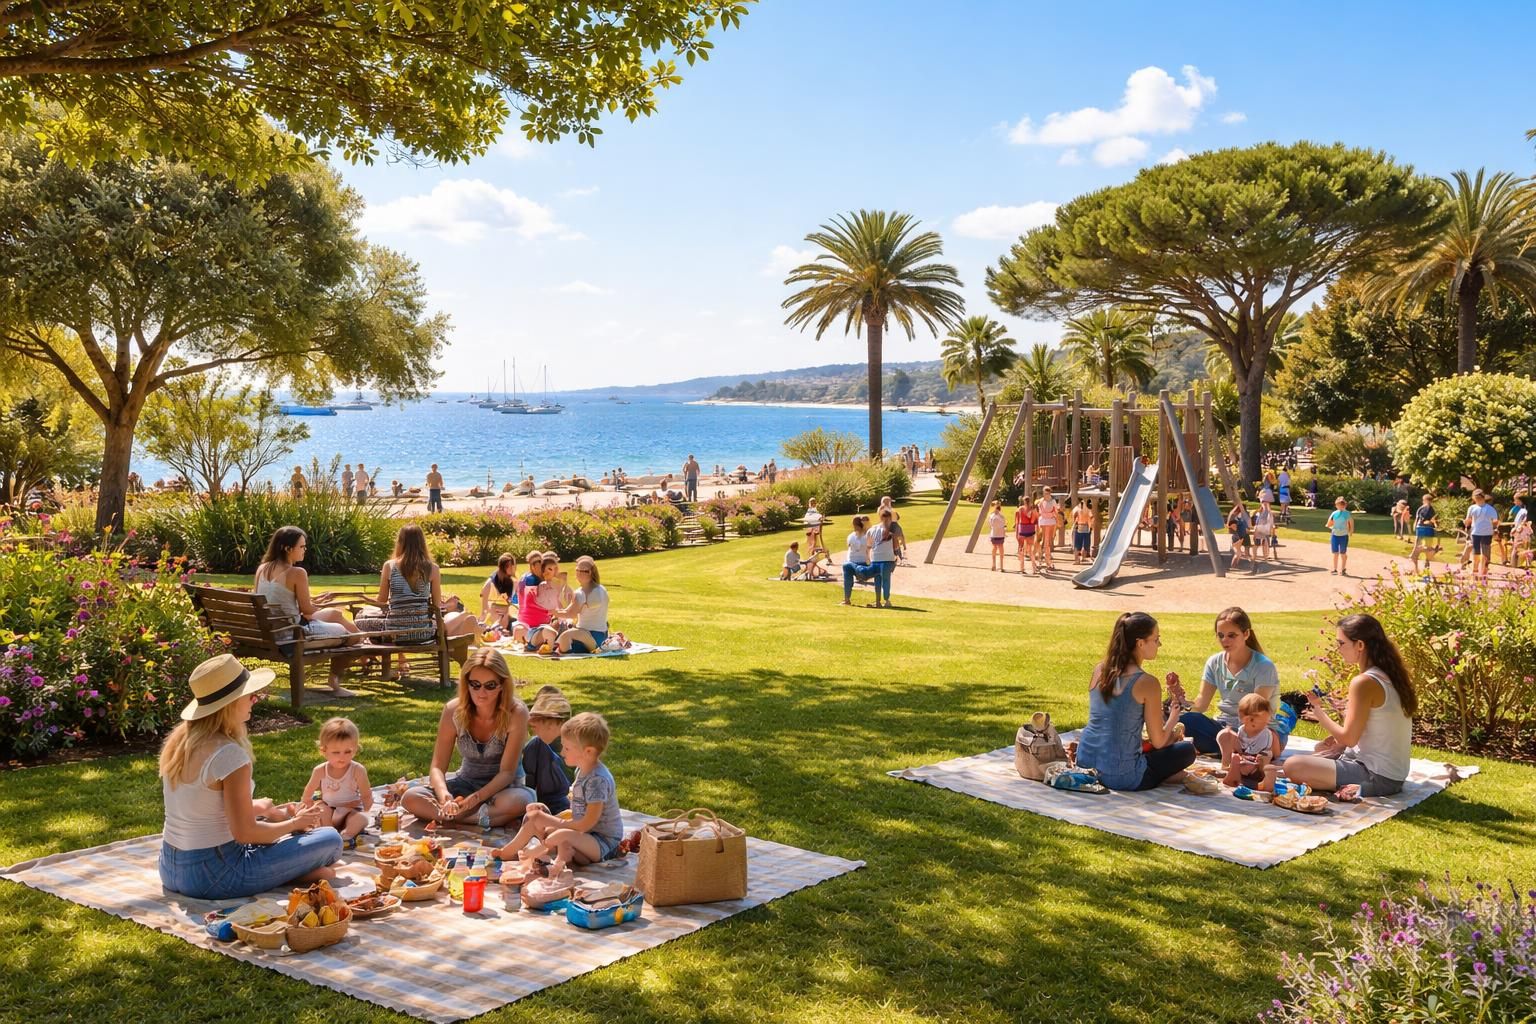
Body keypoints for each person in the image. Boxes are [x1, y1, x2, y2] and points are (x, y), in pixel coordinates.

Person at [158, 655, 341, 899]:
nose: (255, 699)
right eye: (250, 694)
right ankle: (292, 872)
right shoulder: (229, 755)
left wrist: (265, 809)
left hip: (170, 868)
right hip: (214, 874)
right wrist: (295, 823)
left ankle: (293, 871)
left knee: (286, 837)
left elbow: (202, 806)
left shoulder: (181, 742)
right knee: (330, 839)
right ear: (230, 704)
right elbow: (245, 834)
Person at [1280, 613, 1416, 799]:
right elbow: (1358, 735)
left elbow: (1349, 738)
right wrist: (1338, 744)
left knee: (1293, 766)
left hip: (1377, 777)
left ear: (1360, 645)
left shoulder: (1364, 682)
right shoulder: (1387, 675)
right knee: (1317, 751)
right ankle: (1341, 782)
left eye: (1341, 643)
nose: (1338, 649)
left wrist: (1319, 714)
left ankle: (1355, 789)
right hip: (1389, 774)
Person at [401, 648, 535, 827]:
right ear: (467, 683)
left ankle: (453, 818)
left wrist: (475, 799)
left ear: (502, 685)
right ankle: (476, 818)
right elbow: (437, 767)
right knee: (410, 797)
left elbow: (507, 773)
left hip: (503, 789)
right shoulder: (453, 711)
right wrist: (444, 795)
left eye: (490, 686)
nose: (482, 692)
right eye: (475, 684)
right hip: (465, 782)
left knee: (520, 801)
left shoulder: (516, 713)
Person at [1074, 612, 1196, 791]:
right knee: (1186, 751)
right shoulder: (1147, 682)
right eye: (1156, 639)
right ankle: (1171, 776)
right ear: (1140, 643)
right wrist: (1173, 719)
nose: (1159, 644)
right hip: (1122, 776)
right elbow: (1159, 741)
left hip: (1084, 765)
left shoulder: (1100, 669)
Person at [494, 712, 623, 878]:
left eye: (567, 748)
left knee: (562, 833)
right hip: (583, 841)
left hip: (602, 843)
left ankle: (542, 853)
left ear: (588, 751)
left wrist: (552, 822)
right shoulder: (582, 769)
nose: (562, 752)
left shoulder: (597, 780)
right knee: (536, 819)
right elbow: (578, 812)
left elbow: (585, 824)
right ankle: (507, 853)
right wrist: (548, 817)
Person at [356, 525, 478, 678]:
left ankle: (368, 658)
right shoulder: (432, 568)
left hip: (394, 633)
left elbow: (381, 602)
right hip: (423, 633)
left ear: (400, 542)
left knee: (360, 617)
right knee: (439, 622)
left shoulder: (390, 566)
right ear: (422, 542)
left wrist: (367, 601)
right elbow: (436, 605)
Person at [253, 526, 361, 697]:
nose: (305, 550)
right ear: (287, 549)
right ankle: (334, 680)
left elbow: (277, 600)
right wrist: (320, 606)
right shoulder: (297, 572)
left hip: (272, 631)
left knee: (335, 615)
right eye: (302, 547)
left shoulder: (263, 568)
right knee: (352, 636)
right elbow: (307, 610)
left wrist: (315, 604)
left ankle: (357, 656)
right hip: (293, 634)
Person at [1178, 606, 1282, 756]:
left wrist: (1232, 734)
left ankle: (1233, 749)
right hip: (1223, 726)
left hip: (1256, 730)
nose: (1225, 640)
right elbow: (1201, 704)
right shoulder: (1214, 662)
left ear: (1246, 634)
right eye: (1221, 635)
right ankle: (1229, 749)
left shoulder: (1263, 666)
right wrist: (1179, 703)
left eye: (1232, 635)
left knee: (1232, 737)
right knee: (1185, 721)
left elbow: (1256, 713)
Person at [298, 717, 373, 848]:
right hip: (329, 809)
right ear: (324, 751)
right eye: (336, 752)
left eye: (347, 751)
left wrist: (367, 810)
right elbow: (308, 793)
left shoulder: (357, 770)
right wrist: (307, 805)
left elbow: (366, 795)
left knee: (361, 818)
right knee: (321, 809)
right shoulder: (320, 770)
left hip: (351, 810)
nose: (342, 757)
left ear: (355, 749)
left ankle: (347, 835)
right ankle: (329, 833)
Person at [523, 686, 572, 815]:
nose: (532, 726)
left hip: (562, 802)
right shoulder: (538, 744)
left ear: (553, 722)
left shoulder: (571, 741)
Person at [1218, 693, 1283, 791]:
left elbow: (1277, 755)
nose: (1262, 726)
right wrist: (1238, 754)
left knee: (1267, 764)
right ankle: (1230, 772)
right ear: (1245, 719)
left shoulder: (1270, 735)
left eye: (1265, 723)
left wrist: (1267, 759)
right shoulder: (1241, 731)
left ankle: (1266, 781)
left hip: (1258, 766)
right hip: (1242, 761)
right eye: (1258, 723)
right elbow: (1237, 748)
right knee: (1225, 736)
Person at [550, 555, 609, 654]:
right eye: (578, 570)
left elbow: (571, 614)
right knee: (564, 634)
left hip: (588, 635)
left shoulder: (580, 593)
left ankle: (562, 650)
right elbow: (567, 610)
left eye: (583, 571)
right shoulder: (601, 589)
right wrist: (556, 611)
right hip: (602, 636)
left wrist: (552, 612)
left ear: (590, 572)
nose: (579, 573)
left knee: (563, 638)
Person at [867, 508, 903, 608]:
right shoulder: (892, 532)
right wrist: (897, 556)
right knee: (886, 581)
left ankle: (878, 601)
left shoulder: (872, 529)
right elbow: (895, 547)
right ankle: (887, 600)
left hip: (875, 558)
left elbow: (869, 545)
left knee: (877, 581)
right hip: (888, 559)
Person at [841, 515, 876, 606]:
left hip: (857, 564)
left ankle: (847, 599)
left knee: (847, 566)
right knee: (848, 566)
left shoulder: (851, 536)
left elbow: (850, 549)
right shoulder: (868, 536)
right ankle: (878, 600)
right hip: (864, 564)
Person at [1464, 488, 1498, 581]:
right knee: (1476, 551)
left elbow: (1495, 521)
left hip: (1487, 532)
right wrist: (1466, 523)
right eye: (1476, 498)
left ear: (1482, 498)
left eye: (1479, 497)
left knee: (1485, 552)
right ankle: (1475, 569)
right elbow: (1468, 520)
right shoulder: (1472, 508)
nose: (1477, 499)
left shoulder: (1490, 509)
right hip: (1476, 532)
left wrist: (1495, 528)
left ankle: (1484, 570)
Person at [479, 553, 520, 629]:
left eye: (513, 566)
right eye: (509, 566)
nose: (512, 568)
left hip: (507, 613)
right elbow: (485, 608)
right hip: (494, 613)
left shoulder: (512, 581)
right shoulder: (490, 583)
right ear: (503, 568)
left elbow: (513, 602)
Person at [1409, 494, 1439, 573]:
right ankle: (1426, 563)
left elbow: (1419, 519)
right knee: (1427, 547)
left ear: (1425, 500)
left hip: (1421, 528)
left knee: (1417, 546)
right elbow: (1433, 521)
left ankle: (1415, 565)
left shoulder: (1422, 508)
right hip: (1429, 529)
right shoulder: (1432, 509)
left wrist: (1415, 526)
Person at [1327, 496, 1354, 576]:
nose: (1340, 506)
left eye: (1342, 505)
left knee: (1342, 553)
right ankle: (1334, 569)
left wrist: (1351, 530)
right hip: (1335, 535)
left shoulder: (1346, 513)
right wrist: (1330, 526)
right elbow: (1329, 523)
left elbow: (1351, 521)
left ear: (1344, 505)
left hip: (1343, 535)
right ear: (1336, 505)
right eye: (1338, 505)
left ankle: (1343, 569)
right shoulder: (1334, 513)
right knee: (1335, 553)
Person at [1035, 487, 1058, 571]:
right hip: (1043, 521)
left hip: (1050, 522)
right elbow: (1038, 512)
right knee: (1041, 541)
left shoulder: (1053, 502)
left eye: (1046, 493)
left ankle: (1046, 561)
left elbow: (1056, 512)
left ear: (1049, 493)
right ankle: (1043, 561)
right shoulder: (1041, 501)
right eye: (1044, 493)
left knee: (1048, 542)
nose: (1045, 495)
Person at [1014, 495, 1038, 575]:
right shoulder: (1033, 510)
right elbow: (1033, 521)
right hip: (1030, 529)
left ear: (1023, 501)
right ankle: (1034, 567)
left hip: (1022, 529)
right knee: (1030, 550)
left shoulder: (1020, 509)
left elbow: (1017, 521)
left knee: (1021, 549)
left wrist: (1016, 532)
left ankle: (1022, 568)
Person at [1227, 500, 1253, 572]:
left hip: (1239, 535)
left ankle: (1234, 566)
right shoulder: (1238, 516)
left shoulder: (1235, 516)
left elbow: (1229, 524)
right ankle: (1234, 566)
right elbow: (1249, 525)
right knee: (1240, 553)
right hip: (1241, 535)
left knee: (1239, 553)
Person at [1072, 498, 1094, 565]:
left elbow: (1073, 515)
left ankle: (1077, 560)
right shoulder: (1088, 510)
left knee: (1077, 544)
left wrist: (1075, 521)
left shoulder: (1077, 509)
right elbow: (1092, 517)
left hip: (1079, 525)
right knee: (1085, 544)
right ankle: (1082, 557)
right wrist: (1091, 525)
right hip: (1086, 526)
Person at [987, 500, 1007, 571]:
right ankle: (999, 566)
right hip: (999, 534)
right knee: (999, 548)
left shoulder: (992, 516)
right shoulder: (1001, 516)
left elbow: (990, 526)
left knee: (995, 548)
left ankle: (995, 565)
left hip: (995, 534)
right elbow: (1004, 525)